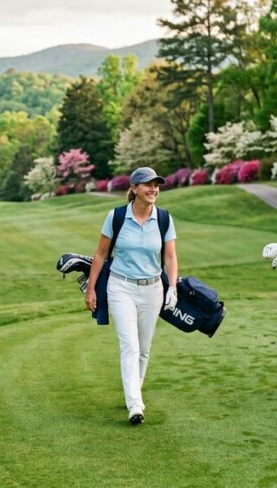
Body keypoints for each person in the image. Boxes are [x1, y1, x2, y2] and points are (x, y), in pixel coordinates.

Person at [85, 167, 178, 425]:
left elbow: (170, 257)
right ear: (134, 188)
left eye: (156, 185)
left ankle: (132, 391)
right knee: (130, 345)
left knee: (144, 348)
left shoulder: (163, 218)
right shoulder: (116, 216)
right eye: (148, 185)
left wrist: (172, 288)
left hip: (152, 289)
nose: (153, 189)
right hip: (120, 287)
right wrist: (91, 288)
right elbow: (101, 254)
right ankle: (135, 403)